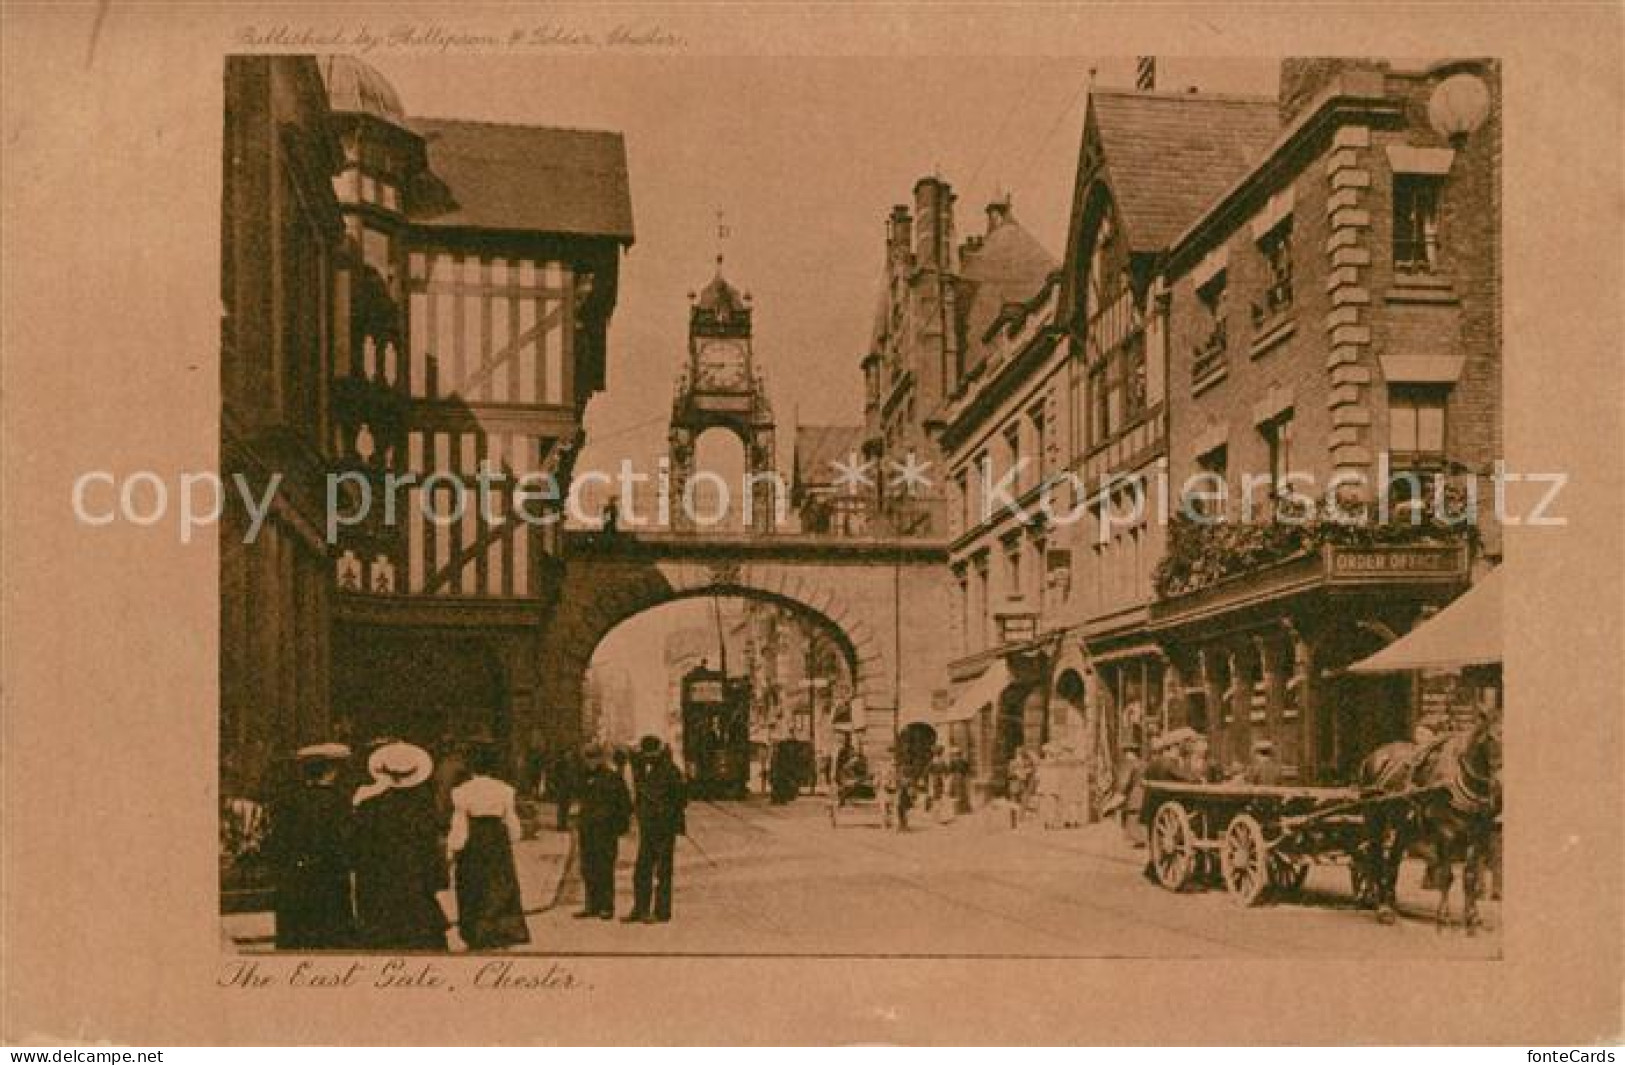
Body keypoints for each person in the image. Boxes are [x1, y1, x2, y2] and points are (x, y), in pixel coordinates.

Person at [353, 742, 450, 951]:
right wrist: (437, 880)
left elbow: (361, 852)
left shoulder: (369, 807)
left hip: (380, 887)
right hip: (414, 885)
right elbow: (430, 850)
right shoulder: (421, 807)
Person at [266, 743, 356, 950]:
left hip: (293, 878)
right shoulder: (338, 801)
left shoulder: (287, 799)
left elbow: (277, 842)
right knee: (331, 935)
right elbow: (345, 842)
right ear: (331, 770)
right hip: (328, 878)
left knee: (296, 936)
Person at [447, 743, 529, 950]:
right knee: (500, 885)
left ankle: (475, 934)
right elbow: (512, 822)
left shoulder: (461, 792)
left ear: (471, 767)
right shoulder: (505, 790)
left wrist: (454, 848)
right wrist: (512, 838)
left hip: (475, 840)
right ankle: (501, 932)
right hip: (496, 840)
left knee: (473, 886)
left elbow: (460, 826)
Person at [624, 736, 687, 924]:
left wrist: (666, 811)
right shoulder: (645, 769)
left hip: (664, 827)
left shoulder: (671, 772)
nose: (647, 758)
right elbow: (632, 757)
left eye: (650, 755)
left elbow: (682, 799)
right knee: (642, 869)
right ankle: (640, 908)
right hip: (648, 826)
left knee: (663, 871)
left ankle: (661, 912)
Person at [573, 743, 632, 920]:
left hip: (606, 830)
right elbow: (578, 800)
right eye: (587, 758)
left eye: (593, 757)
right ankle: (591, 905)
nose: (590, 762)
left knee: (605, 868)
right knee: (587, 867)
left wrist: (618, 826)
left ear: (601, 758)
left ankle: (606, 906)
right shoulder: (582, 777)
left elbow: (625, 805)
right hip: (587, 829)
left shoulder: (613, 778)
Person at [1114, 742, 1146, 847]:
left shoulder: (1129, 764)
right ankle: (1142, 838)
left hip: (1135, 792)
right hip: (1144, 790)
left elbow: (1125, 780)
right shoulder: (1143, 763)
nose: (1125, 755)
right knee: (1139, 814)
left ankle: (1139, 839)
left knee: (1133, 814)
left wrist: (1120, 792)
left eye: (1126, 752)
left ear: (1129, 753)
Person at [551, 747, 580, 831]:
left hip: (569, 788)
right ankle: (560, 824)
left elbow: (574, 775)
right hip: (561, 787)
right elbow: (554, 775)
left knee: (567, 806)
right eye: (567, 753)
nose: (569, 755)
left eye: (570, 753)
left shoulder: (573, 763)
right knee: (561, 806)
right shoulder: (559, 764)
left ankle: (564, 824)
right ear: (564, 754)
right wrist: (556, 784)